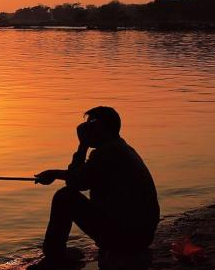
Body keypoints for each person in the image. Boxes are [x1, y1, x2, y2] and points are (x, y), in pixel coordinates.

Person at [28, 106, 160, 270]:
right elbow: (81, 179)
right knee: (67, 196)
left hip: (127, 238)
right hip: (141, 237)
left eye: (91, 125)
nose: (85, 129)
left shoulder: (108, 152)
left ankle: (54, 257)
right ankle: (59, 254)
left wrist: (82, 146)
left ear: (102, 128)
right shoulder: (121, 148)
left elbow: (76, 184)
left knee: (64, 197)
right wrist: (57, 173)